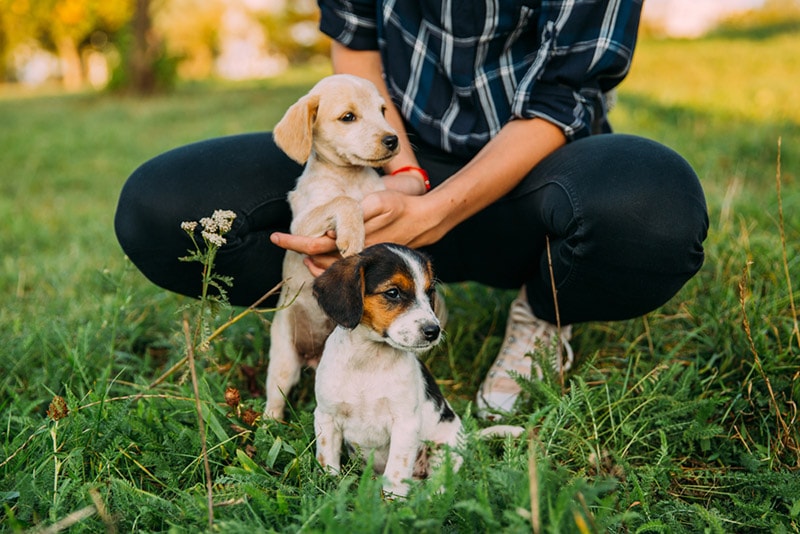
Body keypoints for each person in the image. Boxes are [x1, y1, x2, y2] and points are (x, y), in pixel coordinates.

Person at [114, 0, 708, 420]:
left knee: (652, 208)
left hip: (539, 174)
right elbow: (356, 48)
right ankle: (338, 317)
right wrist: (401, 176)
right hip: (391, 158)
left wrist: (435, 212)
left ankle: (545, 312)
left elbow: (565, 93)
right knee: (159, 206)